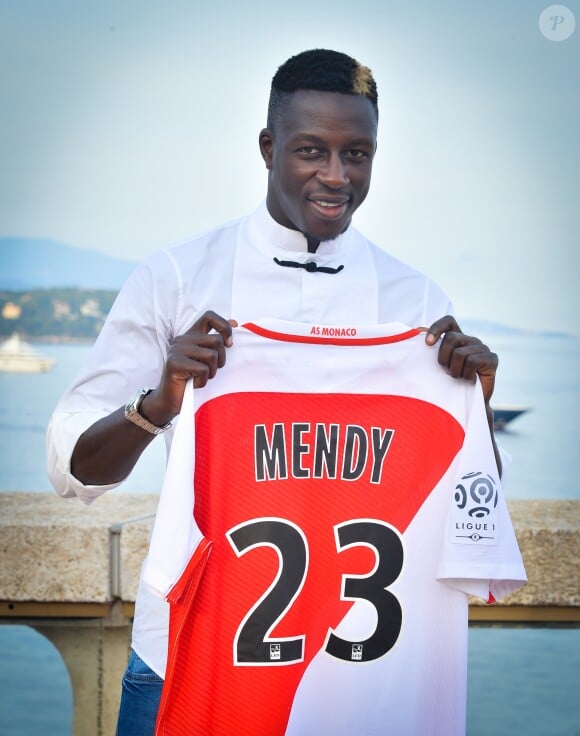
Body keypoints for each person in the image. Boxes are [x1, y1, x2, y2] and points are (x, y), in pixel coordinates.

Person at [47, 49, 520, 735]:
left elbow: (471, 507)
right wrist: (158, 405)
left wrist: (476, 413)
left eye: (357, 154)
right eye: (311, 152)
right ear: (268, 148)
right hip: (185, 654)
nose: (336, 176)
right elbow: (72, 471)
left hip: (360, 674)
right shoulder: (177, 279)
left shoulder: (416, 301)